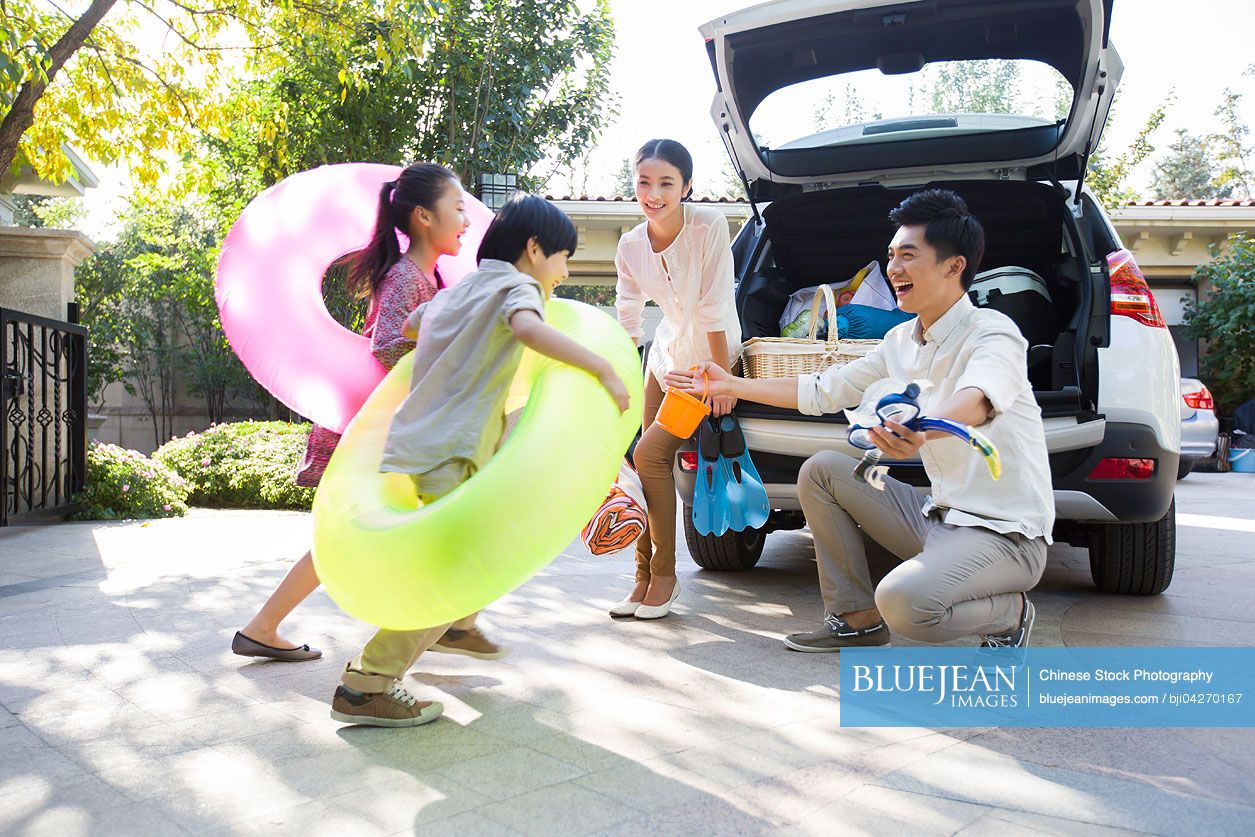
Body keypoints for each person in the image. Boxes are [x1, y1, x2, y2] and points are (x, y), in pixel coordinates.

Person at [667, 189, 1053, 652]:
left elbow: (977, 399)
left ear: (955, 265)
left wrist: (920, 429)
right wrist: (730, 385)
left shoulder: (993, 330)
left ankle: (1011, 613)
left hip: (1006, 536)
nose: (893, 269)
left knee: (906, 603)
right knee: (823, 470)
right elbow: (823, 389)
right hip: (938, 521)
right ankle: (856, 619)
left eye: (908, 256)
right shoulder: (900, 341)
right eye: (891, 256)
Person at [330, 195, 631, 727]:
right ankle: (367, 682)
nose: (564, 271)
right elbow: (529, 330)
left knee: (459, 552)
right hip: (454, 444)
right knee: (453, 567)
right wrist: (602, 368)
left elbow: (412, 327)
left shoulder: (462, 287)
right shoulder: (516, 288)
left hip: (419, 440)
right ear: (534, 250)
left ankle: (458, 624)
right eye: (563, 258)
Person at [231, 163, 503, 663]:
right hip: (373, 429)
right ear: (424, 216)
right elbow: (387, 348)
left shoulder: (428, 275)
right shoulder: (405, 277)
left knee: (382, 528)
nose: (466, 221)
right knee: (354, 534)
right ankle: (270, 627)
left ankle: (446, 621)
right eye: (458, 209)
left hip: (393, 427)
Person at [611, 139, 742, 620]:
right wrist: (624, 377)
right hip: (663, 358)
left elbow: (712, 307)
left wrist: (722, 378)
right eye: (644, 182)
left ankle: (665, 577)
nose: (654, 193)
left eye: (666, 182)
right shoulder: (629, 244)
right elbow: (628, 316)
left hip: (709, 359)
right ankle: (642, 578)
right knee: (640, 464)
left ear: (687, 185)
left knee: (651, 454)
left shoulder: (709, 225)